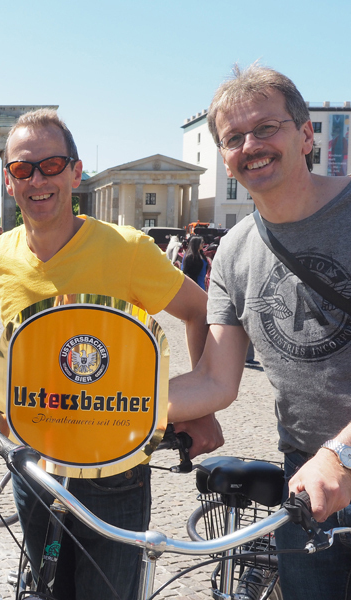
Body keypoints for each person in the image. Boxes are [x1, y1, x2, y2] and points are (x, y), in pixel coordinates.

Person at [0, 108, 214, 600]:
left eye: (52, 164)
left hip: (114, 463)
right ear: (9, 181)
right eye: (23, 168)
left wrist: (200, 406)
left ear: (76, 173)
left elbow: (200, 311)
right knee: (48, 590)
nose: (38, 179)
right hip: (33, 458)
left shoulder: (128, 249)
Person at [168, 63, 351, 600]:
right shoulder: (235, 249)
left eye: (266, 128)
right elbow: (215, 383)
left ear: (306, 133)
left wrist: (341, 454)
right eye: (234, 137)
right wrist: (105, 407)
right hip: (307, 476)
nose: (251, 145)